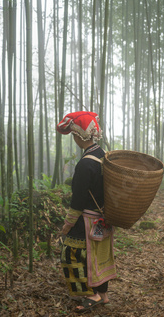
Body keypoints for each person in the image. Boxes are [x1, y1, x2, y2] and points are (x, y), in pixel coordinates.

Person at [57, 111, 116, 313]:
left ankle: (92, 294)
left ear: (78, 136)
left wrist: (67, 225)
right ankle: (104, 294)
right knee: (99, 256)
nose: (73, 138)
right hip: (104, 217)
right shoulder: (104, 155)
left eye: (73, 134)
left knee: (73, 254)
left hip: (87, 220)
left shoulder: (85, 163)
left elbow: (78, 201)